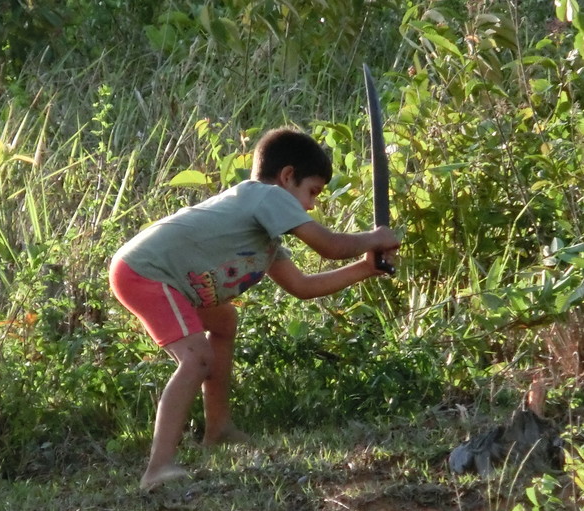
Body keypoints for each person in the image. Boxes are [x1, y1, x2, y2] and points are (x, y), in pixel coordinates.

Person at [109, 127, 400, 490]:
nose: (310, 206)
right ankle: (158, 468)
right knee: (196, 357)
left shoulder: (264, 234)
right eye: (311, 192)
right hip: (145, 273)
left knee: (225, 320)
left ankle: (218, 430)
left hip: (161, 278)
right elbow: (328, 245)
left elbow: (303, 287)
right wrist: (375, 238)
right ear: (287, 176)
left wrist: (365, 268)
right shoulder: (265, 195)